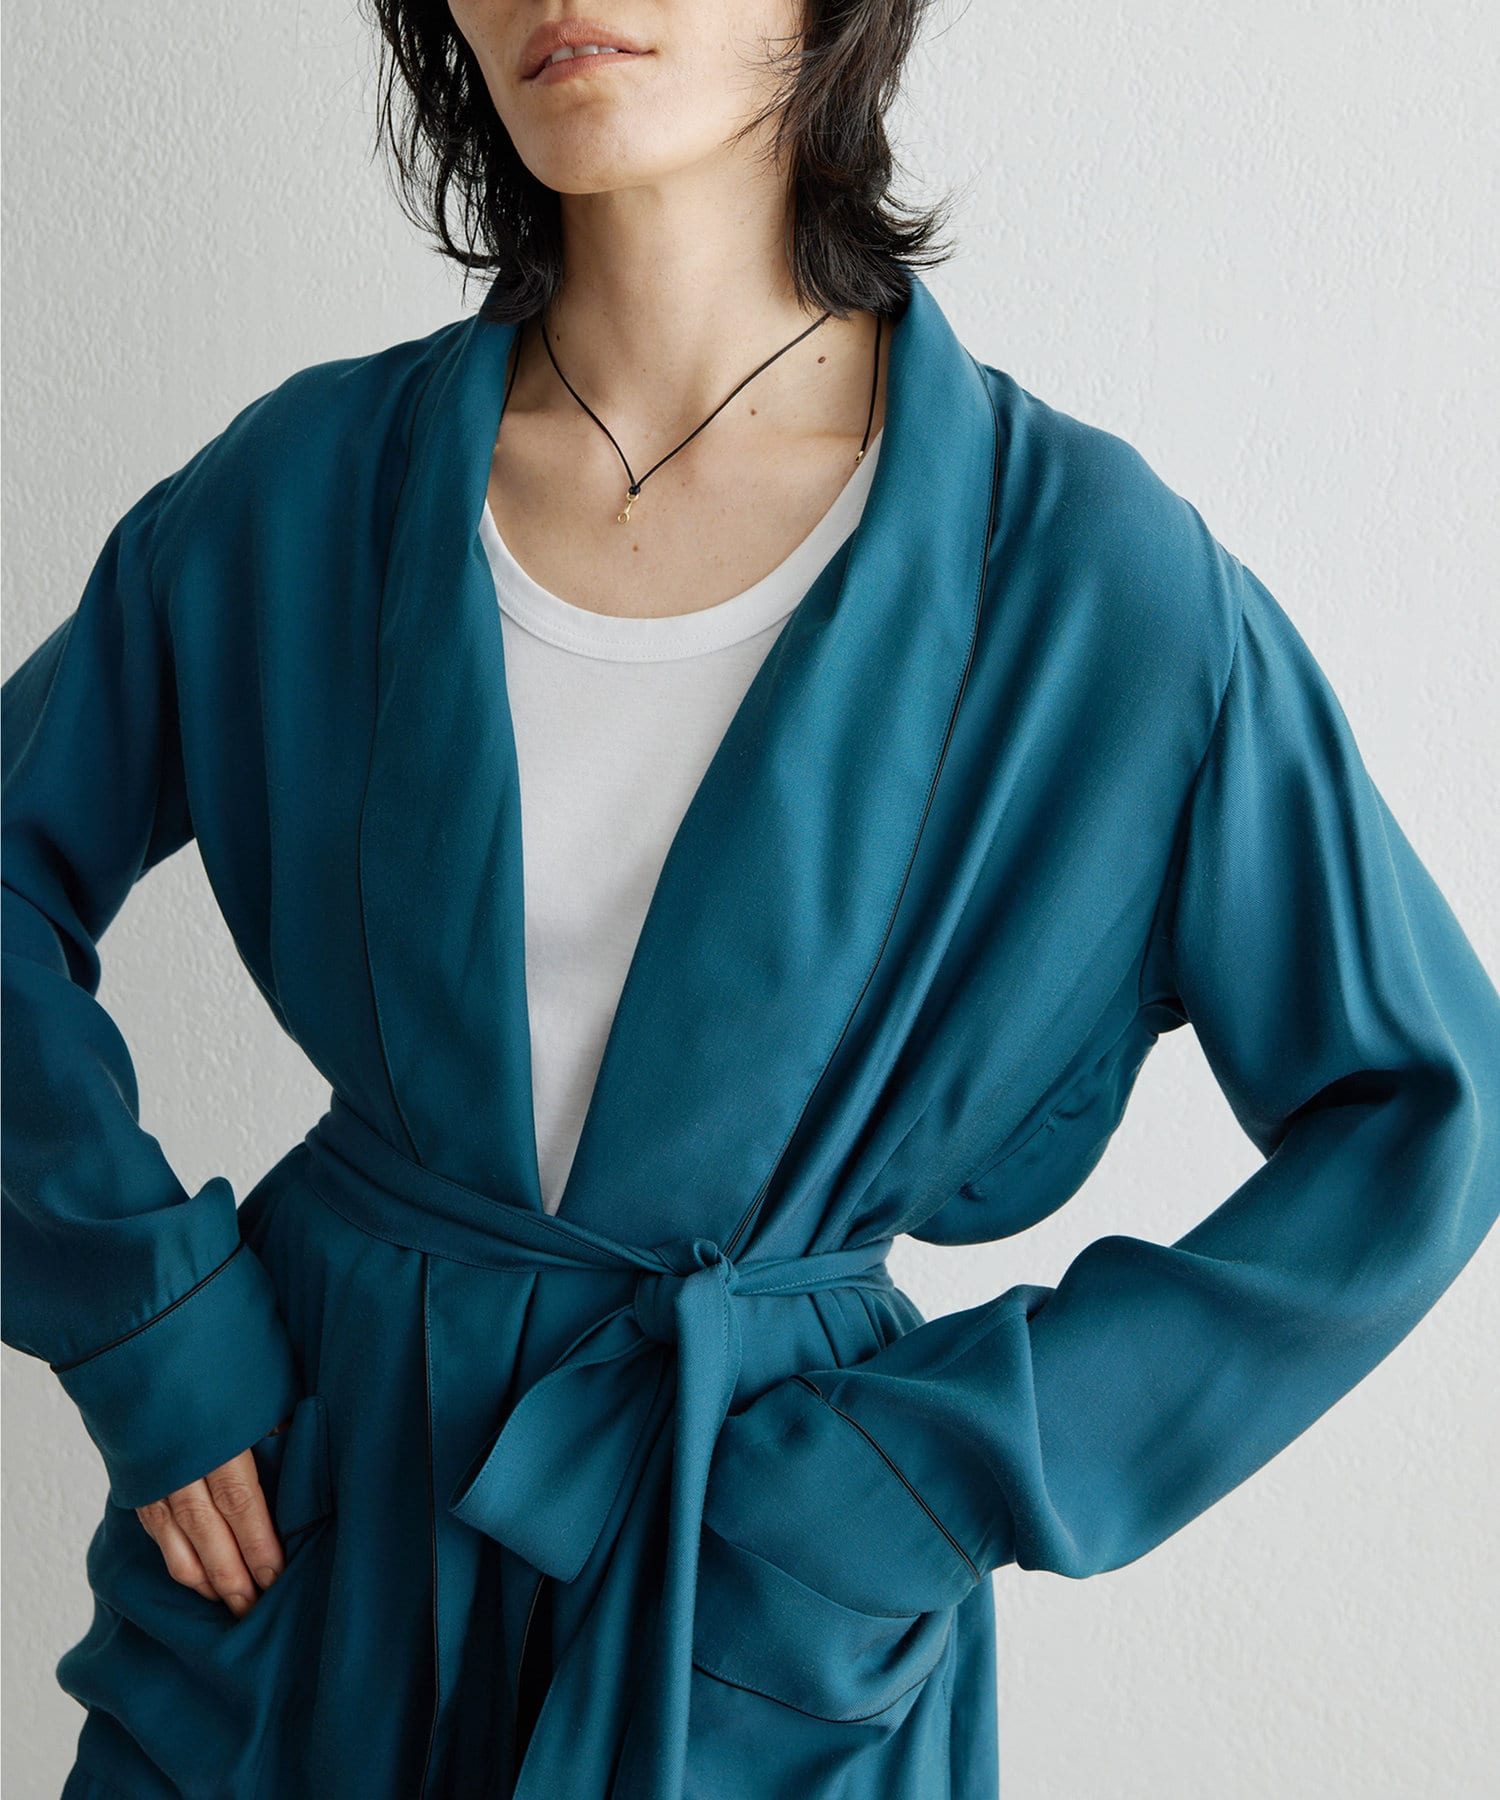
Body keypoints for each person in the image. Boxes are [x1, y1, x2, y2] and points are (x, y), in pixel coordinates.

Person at [4, 3, 1497, 1797]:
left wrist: (938, 1472)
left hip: (763, 1591)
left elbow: (1426, 1111)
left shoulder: (1094, 583)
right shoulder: (302, 494)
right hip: (315, 1552)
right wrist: (142, 1319)